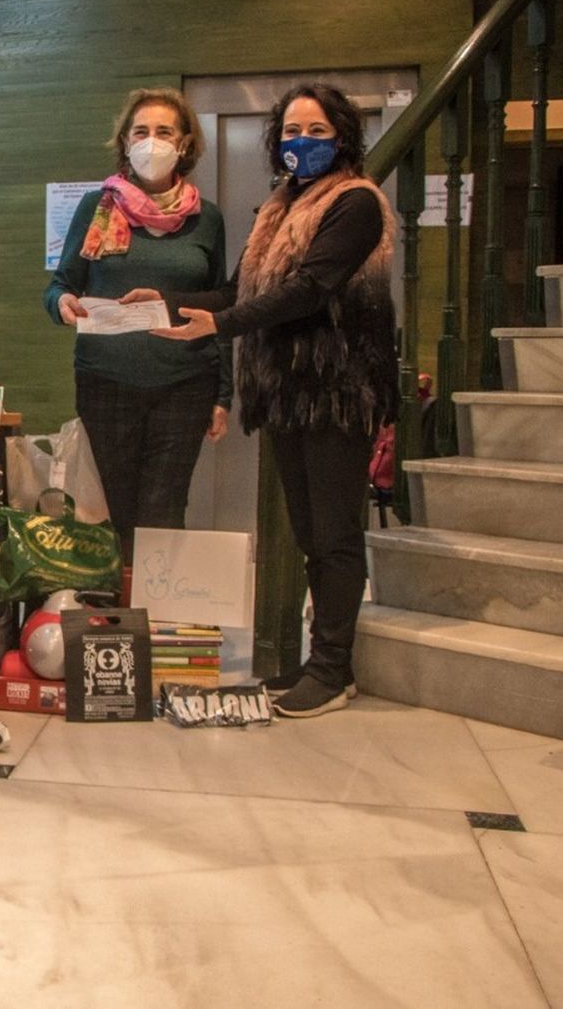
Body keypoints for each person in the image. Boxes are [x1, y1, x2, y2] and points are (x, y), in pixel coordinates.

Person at [137, 82, 399, 718]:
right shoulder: (279, 208)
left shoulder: (356, 203)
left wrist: (220, 327)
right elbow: (238, 292)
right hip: (286, 392)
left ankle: (333, 669)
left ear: (343, 137)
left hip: (338, 390)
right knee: (309, 532)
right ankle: (320, 661)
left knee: (335, 534)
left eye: (317, 131)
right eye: (291, 131)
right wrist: (167, 303)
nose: (301, 142)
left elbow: (310, 289)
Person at [42, 87, 231, 562]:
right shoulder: (98, 208)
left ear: (184, 143)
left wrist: (223, 395)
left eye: (164, 132)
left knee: (163, 511)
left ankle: (156, 604)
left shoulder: (207, 219)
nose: (151, 142)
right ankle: (116, 605)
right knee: (112, 511)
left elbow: (223, 308)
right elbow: (60, 285)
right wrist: (61, 302)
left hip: (185, 384)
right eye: (141, 132)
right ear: (125, 142)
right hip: (106, 383)